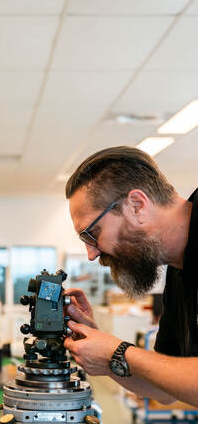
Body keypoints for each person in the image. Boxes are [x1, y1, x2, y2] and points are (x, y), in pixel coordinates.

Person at [62, 146, 198, 406]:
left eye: (92, 234)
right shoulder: (179, 273)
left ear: (136, 206)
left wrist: (118, 351)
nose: (91, 254)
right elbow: (167, 390)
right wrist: (101, 349)